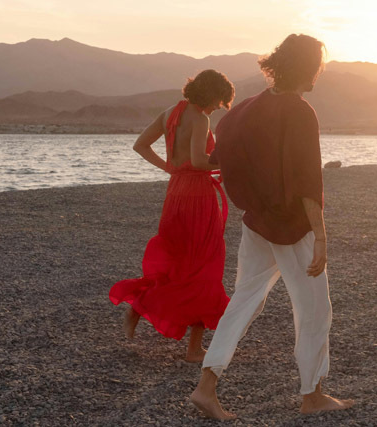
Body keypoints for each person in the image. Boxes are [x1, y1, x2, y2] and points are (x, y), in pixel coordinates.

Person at [190, 35, 354, 419]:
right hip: (293, 226)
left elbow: (219, 158)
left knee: (245, 300)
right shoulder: (299, 111)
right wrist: (322, 237)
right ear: (309, 68)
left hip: (257, 224)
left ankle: (206, 386)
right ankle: (312, 395)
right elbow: (308, 182)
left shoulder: (243, 109)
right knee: (314, 308)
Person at [109, 69, 235, 363]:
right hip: (197, 197)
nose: (218, 107)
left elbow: (140, 145)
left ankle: (137, 310)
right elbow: (199, 161)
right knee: (204, 267)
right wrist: (228, 160)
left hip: (176, 191)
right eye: (219, 101)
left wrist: (168, 168)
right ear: (211, 94)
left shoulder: (170, 112)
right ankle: (193, 349)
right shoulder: (200, 118)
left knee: (176, 263)